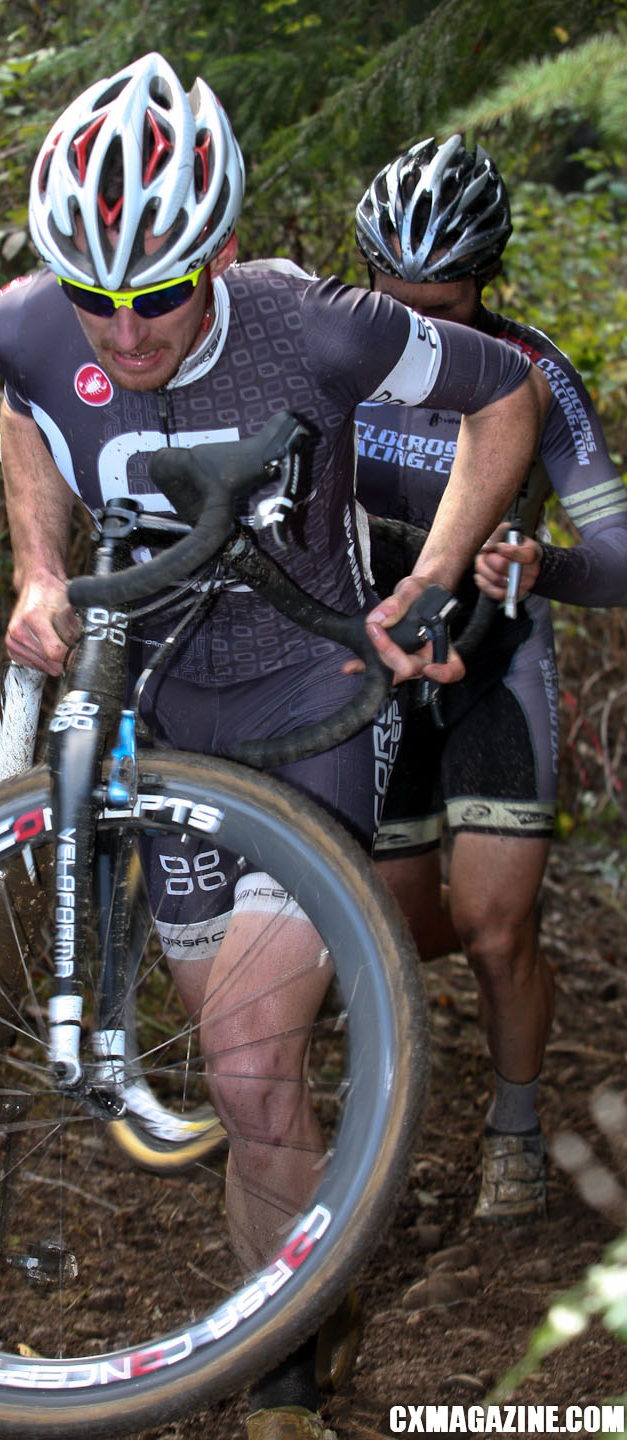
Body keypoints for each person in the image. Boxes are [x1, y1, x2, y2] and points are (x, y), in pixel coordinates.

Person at [0, 57, 548, 1440]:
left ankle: (280, 1370)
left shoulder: (323, 329)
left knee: (248, 1062)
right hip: (159, 715)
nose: (124, 332)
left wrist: (444, 568)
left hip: (307, 700)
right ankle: (308, 1281)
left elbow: (510, 397)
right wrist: (38, 571)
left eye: (161, 294)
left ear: (222, 253)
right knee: (250, 1083)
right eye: (94, 297)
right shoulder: (29, 328)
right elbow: (28, 417)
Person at [353, 134, 627, 1228]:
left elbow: (619, 557)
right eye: (399, 300)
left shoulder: (534, 372)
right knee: (406, 930)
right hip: (368, 662)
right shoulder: (333, 346)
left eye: (449, 305)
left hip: (493, 662)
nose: (425, 327)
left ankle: (515, 1126)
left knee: (498, 931)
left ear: (488, 280)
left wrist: (539, 562)